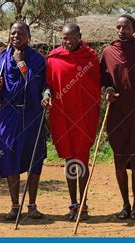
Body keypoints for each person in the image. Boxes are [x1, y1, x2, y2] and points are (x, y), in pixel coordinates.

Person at [42, 23, 101, 221]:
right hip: (62, 114)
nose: (66, 41)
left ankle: (83, 204)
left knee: (81, 157)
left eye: (70, 38)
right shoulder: (53, 58)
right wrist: (47, 93)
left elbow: (96, 88)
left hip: (83, 115)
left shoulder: (90, 58)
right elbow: (48, 84)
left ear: (79, 37)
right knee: (69, 158)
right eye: (64, 38)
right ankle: (73, 203)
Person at [100, 15, 135, 220]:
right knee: (120, 160)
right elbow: (103, 80)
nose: (121, 30)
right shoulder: (107, 52)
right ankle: (125, 204)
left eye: (126, 27)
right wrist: (107, 90)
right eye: (119, 27)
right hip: (117, 113)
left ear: (134, 28)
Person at [0, 21, 47, 221]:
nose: (16, 36)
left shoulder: (37, 59)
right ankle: (15, 205)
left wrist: (20, 63)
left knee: (34, 158)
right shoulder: (2, 58)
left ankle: (32, 205)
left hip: (32, 114)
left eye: (20, 32)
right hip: (9, 114)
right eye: (13, 33)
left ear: (28, 36)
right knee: (9, 157)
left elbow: (34, 85)